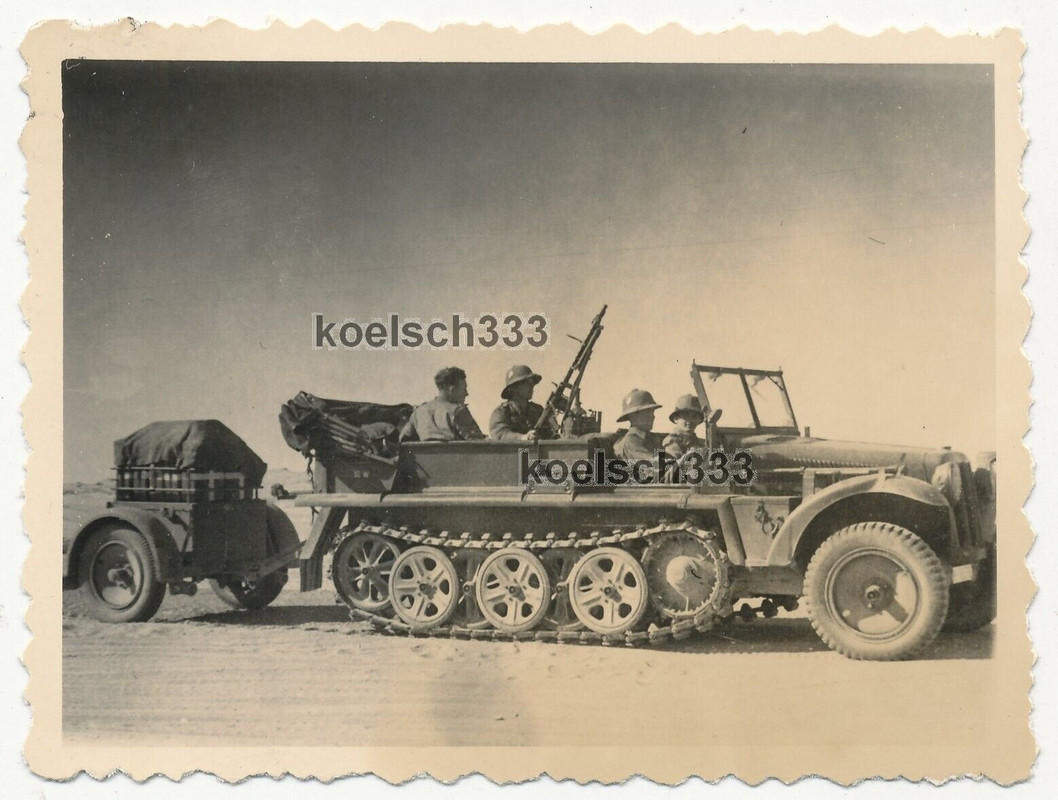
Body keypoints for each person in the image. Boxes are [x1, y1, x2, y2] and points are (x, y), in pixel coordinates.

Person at [399, 366, 486, 442]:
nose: (466, 393)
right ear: (452, 389)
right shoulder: (458, 411)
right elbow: (479, 445)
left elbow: (403, 440)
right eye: (464, 389)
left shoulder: (418, 412)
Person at [489, 365, 553, 441]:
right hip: (513, 452)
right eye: (526, 383)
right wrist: (523, 437)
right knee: (524, 452)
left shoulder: (538, 410)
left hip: (536, 451)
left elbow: (551, 436)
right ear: (514, 388)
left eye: (532, 383)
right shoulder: (501, 412)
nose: (531, 386)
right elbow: (500, 434)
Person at [613, 388, 662, 462]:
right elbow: (655, 466)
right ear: (633, 416)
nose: (653, 416)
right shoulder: (631, 441)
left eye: (652, 412)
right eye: (648, 412)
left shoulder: (649, 439)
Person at [663, 394, 705, 460]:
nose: (690, 420)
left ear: (699, 420)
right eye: (686, 416)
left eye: (694, 417)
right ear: (676, 418)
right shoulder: (672, 441)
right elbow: (674, 467)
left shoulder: (699, 442)